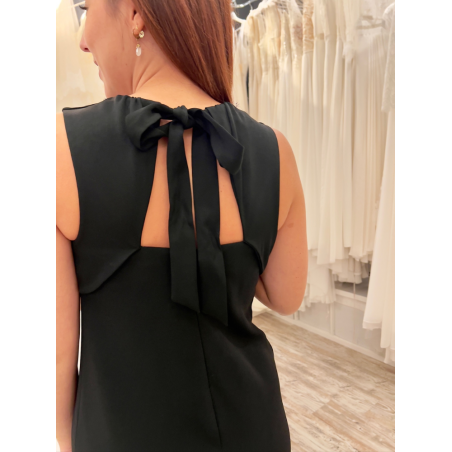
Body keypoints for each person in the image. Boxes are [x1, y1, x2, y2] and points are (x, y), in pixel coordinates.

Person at [56, 0, 308, 451]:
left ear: (136, 14)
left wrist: (67, 437)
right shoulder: (274, 150)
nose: (83, 39)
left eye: (87, 8)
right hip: (252, 430)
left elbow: (55, 359)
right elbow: (286, 296)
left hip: (122, 434)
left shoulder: (62, 149)